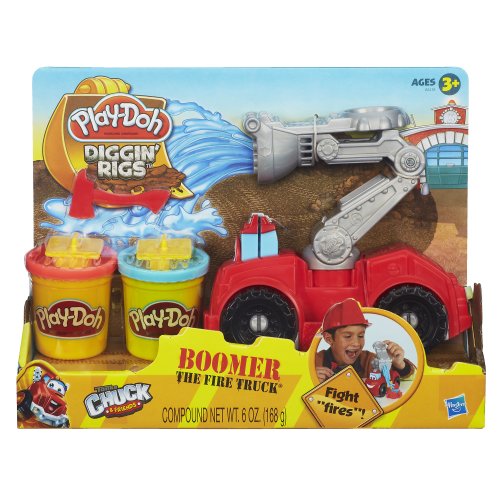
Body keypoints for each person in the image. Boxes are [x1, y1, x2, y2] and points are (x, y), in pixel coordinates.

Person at [315, 298, 415, 383]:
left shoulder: (370, 360)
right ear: (329, 339)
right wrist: (310, 379)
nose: (356, 343)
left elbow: (402, 381)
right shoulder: (315, 361)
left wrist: (400, 365)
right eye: (348, 336)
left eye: (361, 336)